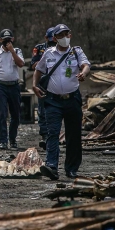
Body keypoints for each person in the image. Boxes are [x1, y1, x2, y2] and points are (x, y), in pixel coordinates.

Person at [32, 24, 91, 180]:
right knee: (52, 133)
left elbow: (86, 65)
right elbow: (39, 70)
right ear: (55, 38)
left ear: (69, 36)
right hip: (53, 101)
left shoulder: (76, 52)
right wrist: (34, 85)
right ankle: (52, 166)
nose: (64, 37)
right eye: (61, 35)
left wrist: (83, 73)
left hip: (72, 99)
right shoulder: (48, 53)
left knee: (74, 135)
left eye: (66, 34)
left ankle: (71, 169)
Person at [30, 27, 57, 150]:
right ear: (46, 38)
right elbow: (33, 65)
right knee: (42, 110)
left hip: (56, 83)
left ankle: (54, 136)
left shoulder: (62, 49)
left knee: (56, 110)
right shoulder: (39, 48)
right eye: (50, 41)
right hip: (43, 82)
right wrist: (46, 58)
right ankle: (44, 135)